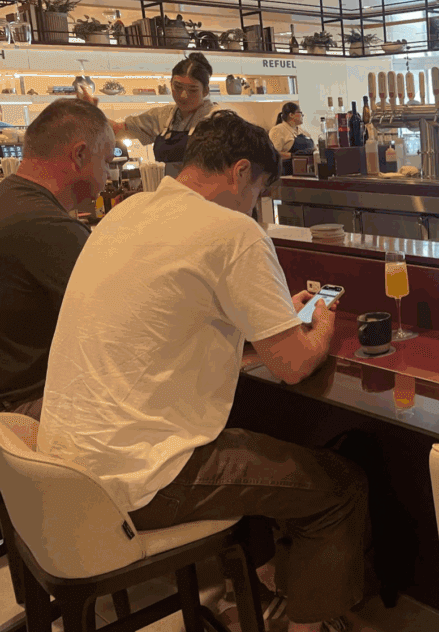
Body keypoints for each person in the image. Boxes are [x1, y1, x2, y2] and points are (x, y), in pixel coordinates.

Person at [39, 111, 368, 632]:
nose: (254, 205)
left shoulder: (126, 212)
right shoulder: (233, 231)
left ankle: (265, 584)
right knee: (339, 487)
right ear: (241, 172)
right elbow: (295, 365)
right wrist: (321, 323)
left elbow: (173, 334)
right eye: (257, 189)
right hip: (138, 479)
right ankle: (310, 625)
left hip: (65, 469)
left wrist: (272, 324)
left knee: (256, 439)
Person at [0, 99, 115, 420]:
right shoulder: (50, 228)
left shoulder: (9, 198)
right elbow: (117, 323)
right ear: (79, 155)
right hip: (28, 405)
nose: (108, 174)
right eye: (106, 161)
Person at [79, 52, 218, 179]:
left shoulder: (218, 120)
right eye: (178, 87)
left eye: (192, 90)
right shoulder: (163, 116)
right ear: (170, 84)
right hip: (169, 196)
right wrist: (91, 111)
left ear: (205, 91)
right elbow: (117, 130)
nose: (183, 95)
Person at [270, 102, 315, 176]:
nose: (302, 116)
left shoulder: (303, 131)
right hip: (288, 174)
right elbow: (274, 154)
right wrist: (293, 155)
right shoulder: (278, 130)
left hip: (307, 173)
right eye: (300, 113)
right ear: (291, 115)